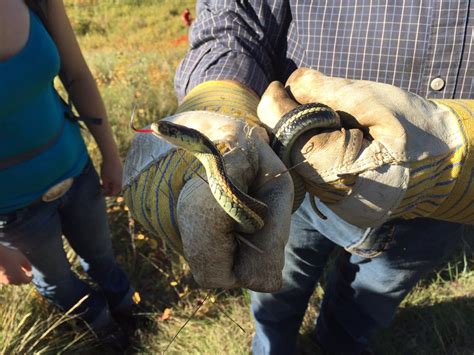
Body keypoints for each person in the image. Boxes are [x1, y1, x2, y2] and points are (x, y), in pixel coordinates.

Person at [123, 1, 472, 354]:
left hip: (436, 212)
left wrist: (461, 147)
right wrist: (219, 99)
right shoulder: (224, 161)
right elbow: (236, 16)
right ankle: (271, 345)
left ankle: (336, 343)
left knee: (368, 303)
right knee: (275, 287)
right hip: (293, 182)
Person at [0, 0, 139, 345]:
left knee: (102, 256)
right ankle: (103, 327)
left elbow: (77, 75)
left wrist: (110, 154)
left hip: (77, 172)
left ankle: (131, 315)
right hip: (12, 210)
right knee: (58, 283)